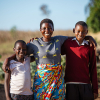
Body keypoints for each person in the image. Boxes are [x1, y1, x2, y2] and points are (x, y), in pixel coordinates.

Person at [2, 19, 97, 100]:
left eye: (50, 28)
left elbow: (76, 37)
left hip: (57, 80)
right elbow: (20, 52)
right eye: (44, 28)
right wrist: (7, 59)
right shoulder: (34, 44)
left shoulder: (59, 39)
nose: (47, 30)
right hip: (41, 81)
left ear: (53, 29)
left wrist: (88, 37)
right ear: (40, 30)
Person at [61, 21, 98, 100]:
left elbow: (93, 68)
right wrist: (38, 41)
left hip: (86, 85)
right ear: (74, 30)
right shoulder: (67, 44)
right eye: (78, 31)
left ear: (87, 32)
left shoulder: (90, 46)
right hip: (70, 85)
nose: (81, 34)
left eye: (84, 32)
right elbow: (54, 49)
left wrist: (95, 90)